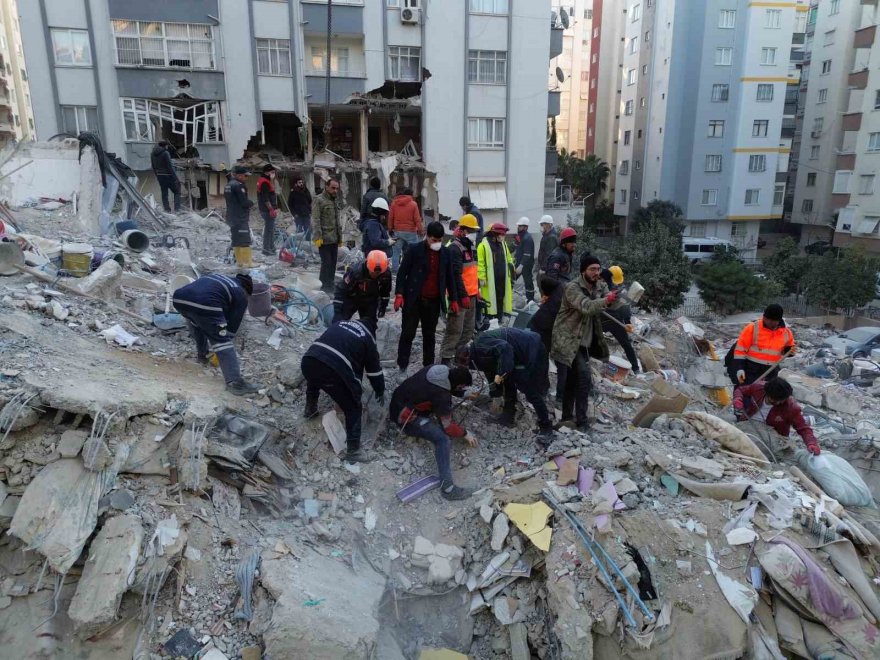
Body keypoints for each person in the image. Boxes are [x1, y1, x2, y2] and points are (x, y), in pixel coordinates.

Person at [301, 320, 384, 463]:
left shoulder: (340, 323)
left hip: (309, 360)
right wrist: (380, 390)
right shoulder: (368, 339)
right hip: (332, 369)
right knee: (354, 407)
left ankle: (310, 409)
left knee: (315, 377)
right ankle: (354, 451)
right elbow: (374, 371)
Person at [551, 254, 617, 431]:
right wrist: (607, 300)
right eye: (592, 269)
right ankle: (581, 421)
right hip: (568, 341)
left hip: (583, 342)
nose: (596, 272)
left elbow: (610, 301)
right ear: (583, 271)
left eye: (598, 269)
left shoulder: (598, 285)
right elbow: (586, 306)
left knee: (573, 380)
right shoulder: (572, 287)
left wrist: (615, 296)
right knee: (584, 378)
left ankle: (567, 417)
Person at [456, 328, 554, 445]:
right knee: (508, 381)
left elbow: (505, 348)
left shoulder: (481, 346)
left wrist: (502, 372)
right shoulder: (477, 357)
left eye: (465, 363)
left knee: (529, 389)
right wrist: (495, 394)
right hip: (515, 354)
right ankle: (508, 416)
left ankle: (546, 428)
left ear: (468, 355)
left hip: (531, 348)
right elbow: (490, 371)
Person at [390, 365, 476, 500]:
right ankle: (448, 488)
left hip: (398, 402)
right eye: (462, 388)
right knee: (443, 439)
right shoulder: (441, 396)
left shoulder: (436, 370)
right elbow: (448, 427)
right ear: (459, 385)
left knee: (439, 412)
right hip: (405, 418)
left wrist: (464, 394)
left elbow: (445, 387)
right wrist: (465, 433)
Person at [172, 273, 260, 396]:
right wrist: (221, 345)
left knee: (197, 324)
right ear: (247, 290)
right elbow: (232, 328)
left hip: (179, 299)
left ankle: (202, 356)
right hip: (205, 303)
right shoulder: (240, 293)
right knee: (222, 341)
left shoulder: (220, 279)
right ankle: (235, 383)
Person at [395, 221, 458, 371]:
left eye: (439, 240)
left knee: (429, 336)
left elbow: (450, 277)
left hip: (434, 301)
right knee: (408, 333)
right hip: (414, 299)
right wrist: (399, 294)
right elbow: (402, 273)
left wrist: (454, 299)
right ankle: (402, 366)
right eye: (434, 240)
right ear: (427, 237)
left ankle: (428, 368)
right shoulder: (414, 250)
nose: (437, 243)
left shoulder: (445, 253)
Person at [733, 377, 821, 455]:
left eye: (782, 400)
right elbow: (740, 390)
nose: (779, 402)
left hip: (773, 433)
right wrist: (738, 399)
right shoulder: (758, 388)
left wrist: (811, 443)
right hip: (748, 424)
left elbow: (803, 428)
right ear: (767, 393)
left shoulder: (791, 407)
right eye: (775, 400)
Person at [439, 214, 480, 365]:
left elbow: (473, 271)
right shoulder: (454, 249)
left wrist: (477, 290)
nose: (473, 233)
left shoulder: (472, 247)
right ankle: (446, 358)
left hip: (472, 295)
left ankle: (458, 356)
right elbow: (455, 276)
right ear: (462, 230)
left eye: (474, 230)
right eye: (471, 230)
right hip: (460, 296)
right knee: (454, 330)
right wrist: (461, 297)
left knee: (468, 330)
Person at [728, 304, 796, 387]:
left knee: (768, 393)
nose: (768, 321)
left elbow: (788, 350)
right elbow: (740, 350)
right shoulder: (753, 328)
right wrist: (739, 368)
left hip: (772, 370)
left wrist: (790, 351)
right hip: (751, 369)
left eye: (772, 320)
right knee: (746, 391)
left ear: (778, 321)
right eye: (766, 318)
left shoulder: (786, 333)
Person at [528, 276, 567, 402]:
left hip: (555, 330)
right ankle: (542, 389)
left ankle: (558, 394)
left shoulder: (577, 301)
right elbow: (544, 280)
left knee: (560, 363)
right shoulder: (563, 288)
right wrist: (547, 294)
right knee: (541, 358)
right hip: (542, 325)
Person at [332, 250, 392, 327]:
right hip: (352, 297)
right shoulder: (355, 271)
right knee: (339, 321)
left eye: (378, 273)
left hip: (370, 299)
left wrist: (383, 306)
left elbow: (385, 292)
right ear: (368, 266)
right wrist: (337, 311)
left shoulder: (386, 274)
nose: (375, 275)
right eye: (373, 272)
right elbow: (341, 289)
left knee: (370, 325)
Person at [599, 265, 640, 374]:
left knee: (626, 344)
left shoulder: (615, 290)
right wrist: (627, 322)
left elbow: (625, 308)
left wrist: (628, 323)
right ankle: (635, 369)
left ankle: (636, 368)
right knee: (626, 345)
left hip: (611, 320)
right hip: (608, 320)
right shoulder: (613, 289)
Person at [477, 223, 514, 322]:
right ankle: (489, 320)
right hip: (490, 280)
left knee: (501, 299)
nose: (503, 236)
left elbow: (509, 258)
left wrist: (511, 269)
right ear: (494, 234)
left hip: (502, 279)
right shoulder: (483, 246)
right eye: (501, 234)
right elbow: (480, 263)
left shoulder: (503, 244)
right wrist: (482, 277)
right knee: (490, 301)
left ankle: (499, 318)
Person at [312, 177, 342, 293]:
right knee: (326, 263)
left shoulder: (335, 200)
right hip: (324, 239)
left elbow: (337, 221)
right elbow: (316, 219)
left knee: (333, 263)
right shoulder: (318, 200)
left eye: (337, 188)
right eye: (333, 188)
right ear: (327, 187)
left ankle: (330, 284)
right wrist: (318, 236)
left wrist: (340, 237)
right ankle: (323, 286)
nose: (335, 190)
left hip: (334, 238)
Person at [225, 165, 254, 268]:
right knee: (244, 240)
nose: (247, 178)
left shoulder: (228, 185)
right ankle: (247, 263)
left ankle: (240, 262)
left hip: (231, 217)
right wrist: (251, 203)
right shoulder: (239, 186)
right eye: (245, 176)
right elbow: (244, 202)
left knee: (236, 240)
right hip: (240, 217)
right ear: (239, 175)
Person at [388, 187, 424, 272]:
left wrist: (390, 229)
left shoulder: (394, 203)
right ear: (411, 195)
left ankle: (395, 270)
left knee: (396, 252)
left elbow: (390, 217)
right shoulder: (413, 204)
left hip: (397, 232)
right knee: (414, 252)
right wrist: (421, 230)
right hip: (411, 232)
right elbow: (417, 219)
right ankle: (413, 269)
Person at [151, 140, 181, 212]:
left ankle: (167, 210)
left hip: (160, 176)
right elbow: (170, 166)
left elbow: (153, 166)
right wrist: (175, 178)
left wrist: (157, 176)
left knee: (164, 193)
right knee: (177, 191)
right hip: (168, 175)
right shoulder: (165, 153)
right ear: (166, 146)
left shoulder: (152, 154)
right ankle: (177, 210)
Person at [256, 164, 279, 256]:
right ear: (267, 172)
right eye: (272, 172)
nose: (274, 174)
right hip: (267, 210)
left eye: (274, 172)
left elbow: (271, 192)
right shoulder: (264, 182)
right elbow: (265, 198)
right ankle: (266, 249)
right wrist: (271, 209)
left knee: (271, 229)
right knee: (269, 230)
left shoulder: (266, 180)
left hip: (266, 209)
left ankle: (271, 248)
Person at [513, 217, 536, 303]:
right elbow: (514, 247)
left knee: (528, 282)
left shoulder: (527, 238)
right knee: (511, 279)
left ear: (526, 227)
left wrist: (521, 266)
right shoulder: (520, 237)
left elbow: (527, 254)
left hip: (526, 265)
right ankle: (506, 297)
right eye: (518, 226)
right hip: (519, 263)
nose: (518, 227)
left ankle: (530, 300)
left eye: (520, 226)